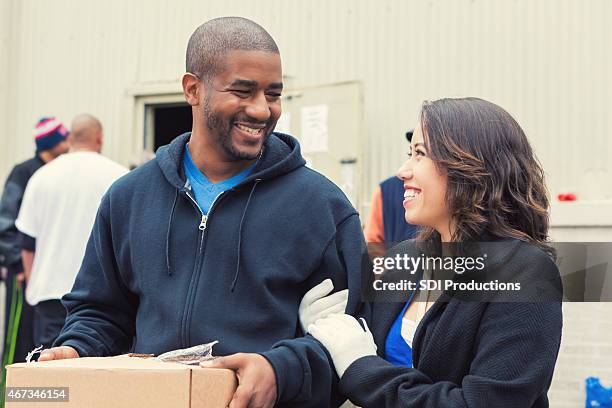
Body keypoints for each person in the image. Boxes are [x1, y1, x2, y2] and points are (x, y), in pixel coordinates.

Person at [39, 17, 365, 408]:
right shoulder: (128, 198)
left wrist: (281, 371)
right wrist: (76, 348)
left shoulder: (322, 208)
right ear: (193, 89)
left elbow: (351, 339)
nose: (262, 110)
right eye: (242, 91)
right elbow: (102, 311)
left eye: (273, 94)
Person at [303, 97, 563, 407]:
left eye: (420, 154)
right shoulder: (404, 260)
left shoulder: (525, 275)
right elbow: (350, 370)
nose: (402, 171)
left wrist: (361, 365)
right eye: (408, 154)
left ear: (471, 166)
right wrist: (324, 335)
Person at [15, 114, 127, 349]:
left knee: (46, 375)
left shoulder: (41, 176)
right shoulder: (120, 177)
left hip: (49, 294)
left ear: (70, 138)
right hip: (100, 300)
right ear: (100, 138)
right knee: (92, 377)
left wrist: (33, 288)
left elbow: (27, 242)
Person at [0, 117, 69, 363]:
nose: (68, 142)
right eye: (63, 138)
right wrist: (18, 264)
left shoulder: (61, 172)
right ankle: (10, 395)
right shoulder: (24, 172)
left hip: (47, 276)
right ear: (51, 143)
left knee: (42, 347)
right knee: (19, 338)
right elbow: (5, 222)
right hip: (23, 275)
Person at [364, 130, 419, 243]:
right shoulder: (385, 190)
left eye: (421, 153)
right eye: (411, 153)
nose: (402, 172)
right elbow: (373, 243)